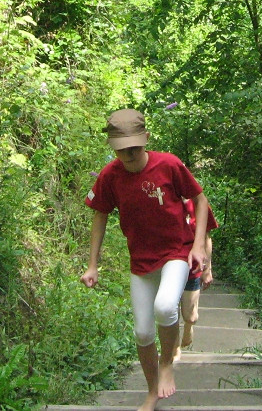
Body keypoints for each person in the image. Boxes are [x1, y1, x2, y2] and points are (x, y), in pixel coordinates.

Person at [80, 109, 210, 411]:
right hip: (140, 261)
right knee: (141, 331)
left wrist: (198, 246)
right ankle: (152, 392)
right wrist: (92, 264)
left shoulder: (169, 165)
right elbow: (100, 215)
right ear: (113, 146)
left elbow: (200, 200)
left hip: (175, 251)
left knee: (165, 306)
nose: (129, 154)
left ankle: (167, 363)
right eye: (122, 149)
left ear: (146, 139)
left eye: (134, 148)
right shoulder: (110, 176)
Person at [173, 197, 216, 362]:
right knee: (170, 310)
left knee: (190, 315)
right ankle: (174, 348)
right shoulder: (163, 202)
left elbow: (206, 237)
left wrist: (207, 268)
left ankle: (189, 327)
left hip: (193, 268)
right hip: (169, 265)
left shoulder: (198, 205)